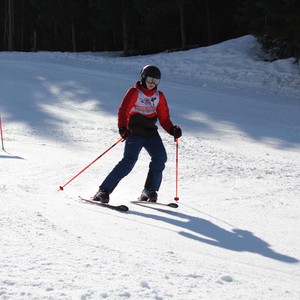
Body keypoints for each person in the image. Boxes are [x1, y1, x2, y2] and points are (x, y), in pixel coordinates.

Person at [93, 65, 182, 203]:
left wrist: (172, 130)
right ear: (143, 77)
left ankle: (149, 191)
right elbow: (123, 111)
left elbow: (164, 119)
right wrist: (123, 128)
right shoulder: (134, 92)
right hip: (134, 132)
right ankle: (103, 191)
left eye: (156, 81)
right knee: (128, 162)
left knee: (160, 158)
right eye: (150, 79)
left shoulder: (159, 96)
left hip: (150, 132)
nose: (152, 83)